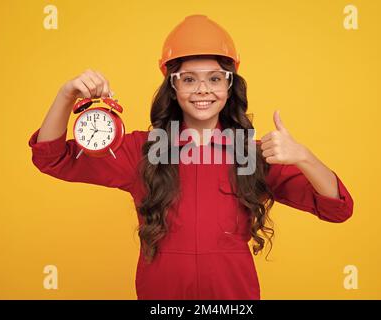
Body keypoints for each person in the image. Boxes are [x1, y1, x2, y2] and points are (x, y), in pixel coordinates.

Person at [28, 14, 354, 300]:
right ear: (173, 87)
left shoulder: (254, 154)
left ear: (229, 86)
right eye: (188, 79)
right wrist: (66, 95)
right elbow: (52, 158)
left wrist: (304, 157)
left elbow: (337, 207)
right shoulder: (141, 150)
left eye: (214, 78)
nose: (202, 90)